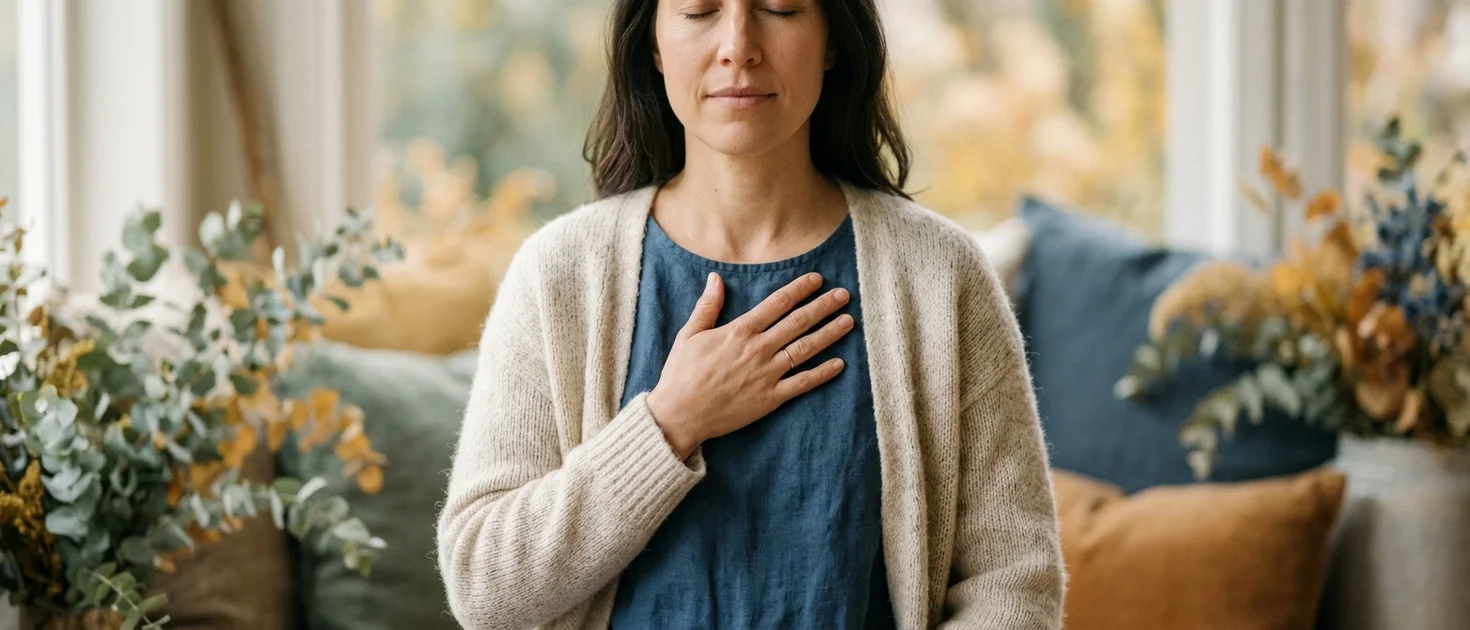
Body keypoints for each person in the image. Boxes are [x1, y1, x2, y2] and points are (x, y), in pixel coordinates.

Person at [435, 0, 1066, 627]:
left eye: (779, 8)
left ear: (833, 43)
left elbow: (1014, 585)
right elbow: (484, 588)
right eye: (700, 11)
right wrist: (670, 422)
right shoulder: (558, 276)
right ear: (653, 44)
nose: (739, 44)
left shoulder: (940, 276)